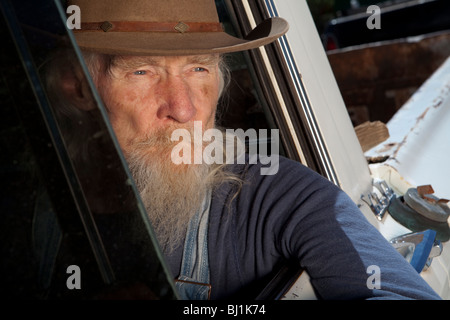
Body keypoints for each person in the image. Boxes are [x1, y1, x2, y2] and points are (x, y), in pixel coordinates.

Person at [54, 0, 440, 300]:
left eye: (198, 69)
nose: (185, 109)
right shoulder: (40, 199)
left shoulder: (274, 195)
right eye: (142, 71)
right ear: (80, 87)